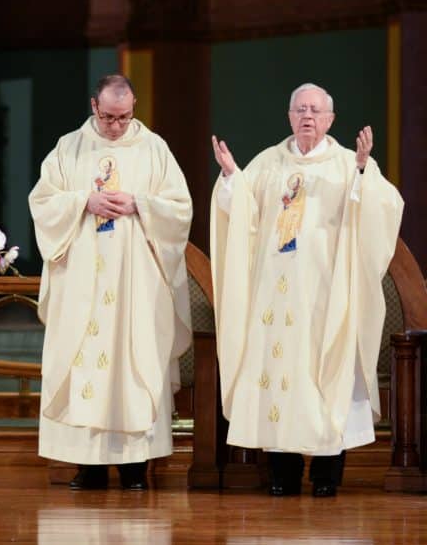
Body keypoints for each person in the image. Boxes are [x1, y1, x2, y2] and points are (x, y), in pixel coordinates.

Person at [210, 82, 404, 497]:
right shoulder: (267, 164)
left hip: (326, 296)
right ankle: (283, 474)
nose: (308, 117)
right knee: (280, 376)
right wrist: (230, 177)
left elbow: (384, 210)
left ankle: (326, 476)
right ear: (289, 116)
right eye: (300, 110)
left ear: (330, 119)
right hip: (275, 299)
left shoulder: (348, 163)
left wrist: (364, 173)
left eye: (315, 110)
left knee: (326, 379)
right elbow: (241, 214)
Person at [29, 74, 193, 490]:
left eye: (124, 117)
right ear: (94, 106)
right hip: (82, 280)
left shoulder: (154, 149)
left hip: (136, 282)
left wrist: (140, 203)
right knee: (85, 362)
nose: (117, 126)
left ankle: (135, 466)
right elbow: (42, 202)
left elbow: (180, 209)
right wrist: (83, 200)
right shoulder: (69, 148)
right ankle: (89, 466)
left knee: (132, 362)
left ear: (134, 107)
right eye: (108, 117)